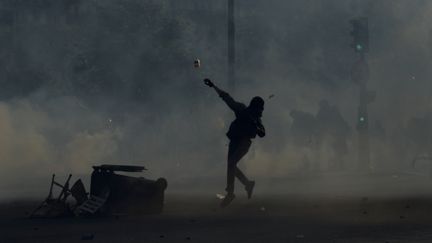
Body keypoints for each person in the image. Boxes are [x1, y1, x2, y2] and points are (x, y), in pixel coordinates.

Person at [204, 78, 265, 207]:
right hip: (235, 140)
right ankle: (241, 187)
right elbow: (227, 98)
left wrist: (257, 126)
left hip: (244, 143)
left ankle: (233, 191)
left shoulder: (257, 119)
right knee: (230, 166)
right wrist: (214, 86)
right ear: (255, 107)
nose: (261, 111)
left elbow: (262, 133)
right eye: (260, 108)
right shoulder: (242, 110)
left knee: (231, 164)